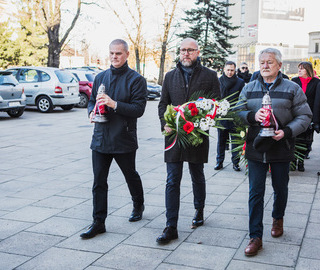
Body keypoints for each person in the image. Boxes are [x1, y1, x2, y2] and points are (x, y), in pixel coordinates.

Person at [237, 48, 312, 256]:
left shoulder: (292, 88)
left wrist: (287, 131)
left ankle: (278, 218)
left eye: (269, 62)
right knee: (255, 192)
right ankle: (255, 237)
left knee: (280, 188)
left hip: (281, 146)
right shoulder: (249, 87)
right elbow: (237, 112)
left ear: (279, 65)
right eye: (261, 62)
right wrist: (252, 116)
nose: (264, 65)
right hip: (256, 148)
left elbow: (305, 116)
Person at [80, 39, 147, 239]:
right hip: (100, 138)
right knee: (99, 182)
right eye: (111, 53)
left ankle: (138, 204)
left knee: (130, 175)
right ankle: (98, 222)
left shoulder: (136, 80)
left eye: (118, 53)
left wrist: (114, 104)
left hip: (123, 137)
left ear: (126, 55)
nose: (114, 57)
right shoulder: (100, 77)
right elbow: (92, 101)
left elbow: (139, 109)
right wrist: (91, 112)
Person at [156, 38, 220, 244]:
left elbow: (216, 104)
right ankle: (170, 225)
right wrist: (163, 124)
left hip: (196, 135)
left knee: (197, 174)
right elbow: (162, 103)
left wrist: (203, 121)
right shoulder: (170, 76)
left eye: (190, 50)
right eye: (183, 50)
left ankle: (199, 210)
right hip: (174, 135)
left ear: (198, 52)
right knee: (172, 179)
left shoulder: (210, 76)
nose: (186, 54)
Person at [214, 61, 245, 172]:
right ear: (224, 69)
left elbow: (242, 98)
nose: (230, 72)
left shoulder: (240, 82)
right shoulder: (218, 81)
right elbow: (215, 97)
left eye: (232, 70)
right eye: (228, 70)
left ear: (235, 70)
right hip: (222, 116)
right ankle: (219, 162)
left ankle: (235, 163)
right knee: (221, 141)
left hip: (235, 116)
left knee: (235, 141)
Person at [291, 62, 320, 171]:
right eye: (299, 68)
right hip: (295, 114)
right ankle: (293, 161)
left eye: (302, 69)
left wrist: (316, 118)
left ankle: (301, 162)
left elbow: (318, 100)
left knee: (305, 140)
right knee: (295, 138)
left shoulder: (316, 82)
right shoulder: (294, 81)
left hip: (309, 114)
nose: (299, 70)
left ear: (308, 70)